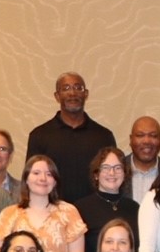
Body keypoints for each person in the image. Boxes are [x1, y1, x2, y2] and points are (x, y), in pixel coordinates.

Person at [0, 155, 87, 252]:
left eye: (49, 174)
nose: (43, 178)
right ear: (26, 179)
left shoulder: (69, 212)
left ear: (55, 181)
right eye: (36, 173)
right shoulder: (9, 214)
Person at [26, 72, 118, 204]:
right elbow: (31, 181)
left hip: (95, 215)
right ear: (57, 96)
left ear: (86, 94)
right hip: (53, 213)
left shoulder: (103, 136)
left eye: (78, 88)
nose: (73, 93)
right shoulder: (39, 135)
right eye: (66, 88)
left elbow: (112, 179)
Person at [76, 147, 140, 252]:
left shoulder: (135, 208)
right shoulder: (80, 209)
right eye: (105, 168)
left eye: (118, 168)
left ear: (125, 173)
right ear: (96, 174)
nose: (112, 173)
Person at [126, 116, 160, 204]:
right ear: (131, 139)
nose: (146, 141)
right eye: (140, 135)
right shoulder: (116, 171)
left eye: (153, 135)